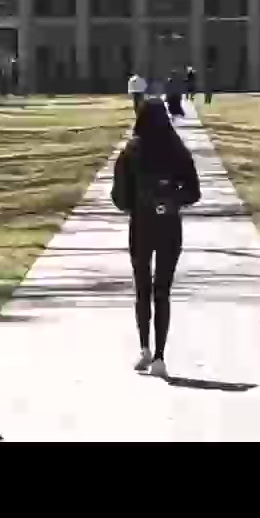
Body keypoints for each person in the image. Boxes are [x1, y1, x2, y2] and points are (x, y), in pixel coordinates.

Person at [110, 99, 201, 380]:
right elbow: (194, 192)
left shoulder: (131, 151)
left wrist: (138, 203)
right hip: (169, 226)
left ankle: (144, 348)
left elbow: (119, 197)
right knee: (162, 290)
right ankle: (160, 356)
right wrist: (171, 199)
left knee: (142, 288)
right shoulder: (177, 150)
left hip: (141, 225)